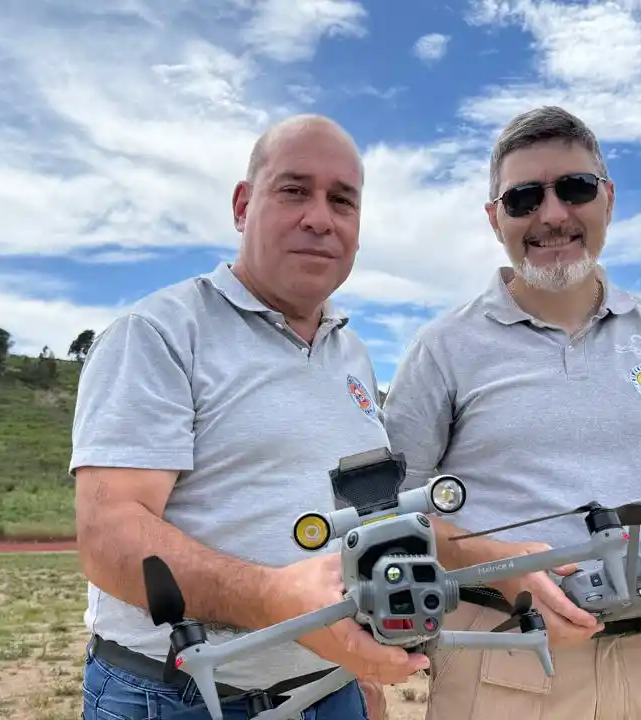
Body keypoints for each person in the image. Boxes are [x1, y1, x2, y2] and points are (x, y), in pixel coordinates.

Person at [382, 105, 641, 720]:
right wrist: (498, 566)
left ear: (608, 199)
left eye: (575, 188)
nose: (553, 214)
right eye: (524, 198)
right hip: (508, 659)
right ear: (494, 219)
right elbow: (395, 515)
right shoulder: (441, 349)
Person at [71, 113, 425, 720]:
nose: (320, 217)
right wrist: (271, 598)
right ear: (242, 205)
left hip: (330, 690)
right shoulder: (158, 334)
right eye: (294, 191)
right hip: (177, 697)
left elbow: (366, 517)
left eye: (343, 200)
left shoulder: (354, 355)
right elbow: (109, 535)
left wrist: (356, 674)